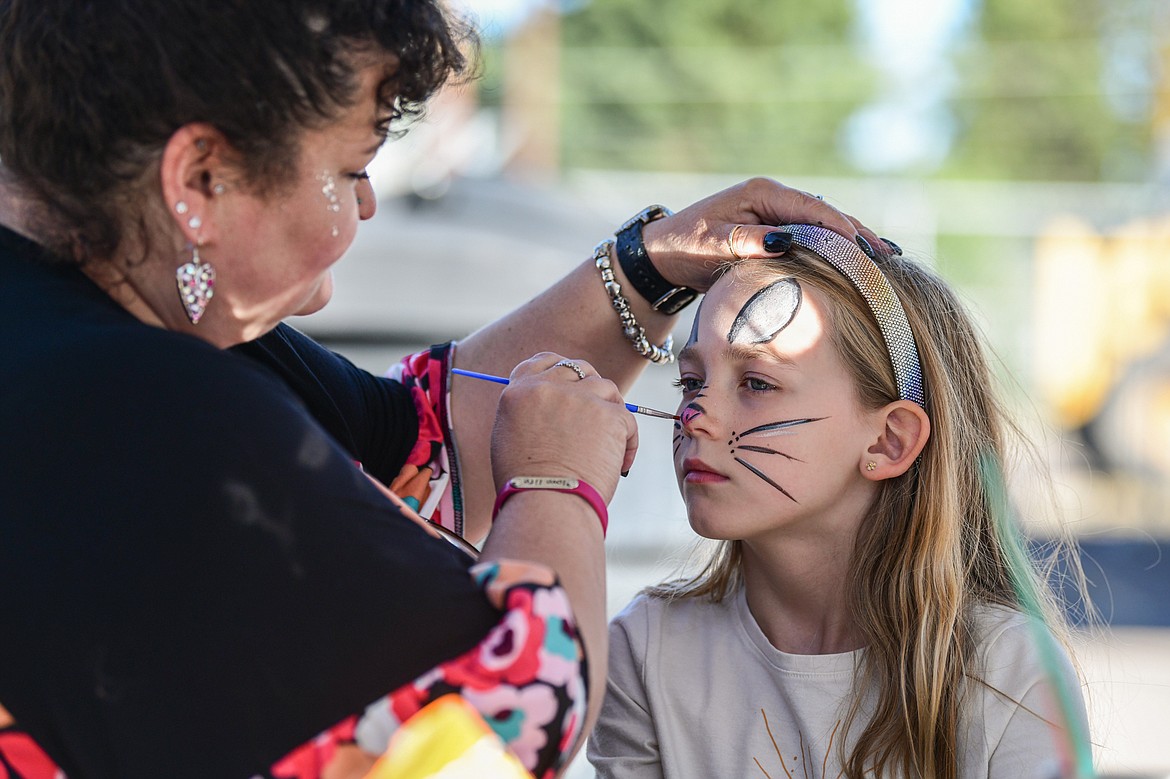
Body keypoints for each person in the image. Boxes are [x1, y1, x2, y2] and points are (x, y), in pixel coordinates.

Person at [0, 2, 884, 777]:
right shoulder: (141, 404)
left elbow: (418, 448)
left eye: (763, 382)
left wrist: (646, 269)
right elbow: (499, 713)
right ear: (200, 179)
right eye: (352, 169)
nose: (372, 203)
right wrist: (553, 484)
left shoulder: (140, 331)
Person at [587, 224, 1093, 778]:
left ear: (887, 440)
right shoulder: (648, 650)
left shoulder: (1005, 668)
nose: (694, 415)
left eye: (756, 382)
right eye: (690, 381)